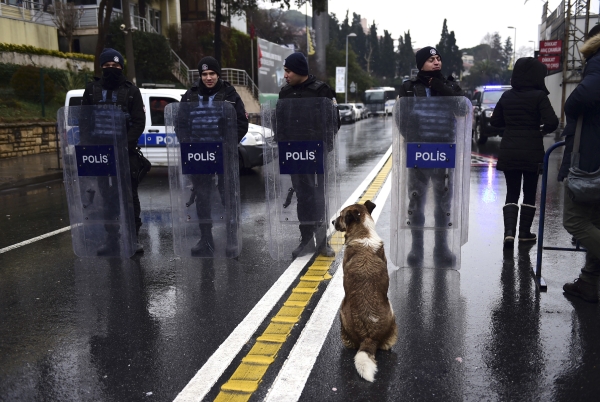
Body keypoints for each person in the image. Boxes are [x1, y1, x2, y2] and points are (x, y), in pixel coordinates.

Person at [397, 46, 463, 267]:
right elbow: (401, 117)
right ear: (421, 65)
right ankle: (416, 249)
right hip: (418, 153)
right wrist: (413, 139)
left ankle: (441, 248)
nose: (436, 63)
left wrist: (442, 87)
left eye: (438, 59)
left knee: (443, 205)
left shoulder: (450, 86)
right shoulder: (409, 88)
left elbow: (463, 109)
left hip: (445, 153)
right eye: (430, 60)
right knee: (416, 202)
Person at [179, 56, 248, 257]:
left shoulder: (230, 95)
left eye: (212, 74)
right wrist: (188, 143)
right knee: (202, 198)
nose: (208, 78)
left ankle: (232, 238)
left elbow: (241, 125)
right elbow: (180, 124)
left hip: (223, 154)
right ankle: (205, 239)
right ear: (200, 75)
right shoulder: (190, 96)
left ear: (218, 74)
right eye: (204, 74)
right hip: (198, 155)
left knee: (228, 197)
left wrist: (227, 144)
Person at [81, 48, 146, 255]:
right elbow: (84, 122)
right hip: (101, 155)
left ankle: (133, 239)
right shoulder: (91, 90)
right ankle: (111, 239)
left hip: (125, 154)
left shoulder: (131, 91)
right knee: (107, 197)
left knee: (129, 197)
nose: (111, 69)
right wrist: (90, 148)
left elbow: (138, 122)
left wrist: (123, 145)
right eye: (107, 66)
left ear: (121, 68)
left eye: (116, 66)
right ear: (101, 67)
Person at [490, 57, 559, 247]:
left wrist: (511, 126)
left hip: (509, 149)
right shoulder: (539, 96)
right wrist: (540, 130)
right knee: (529, 192)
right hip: (532, 150)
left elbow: (495, 122)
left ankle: (509, 234)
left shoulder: (507, 96)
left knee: (512, 191)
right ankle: (524, 233)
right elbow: (552, 121)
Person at [278, 52, 340, 258]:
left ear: (300, 71)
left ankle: (322, 242)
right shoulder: (285, 93)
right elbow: (280, 124)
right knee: (303, 197)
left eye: (288, 71)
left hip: (316, 153)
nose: (285, 75)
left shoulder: (322, 91)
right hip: (295, 154)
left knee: (318, 197)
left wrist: (325, 147)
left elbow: (333, 121)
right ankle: (306, 241)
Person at [558, 24, 600, 302]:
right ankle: (588, 282)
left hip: (590, 156)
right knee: (595, 219)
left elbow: (578, 100)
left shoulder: (597, 63)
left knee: (574, 220)